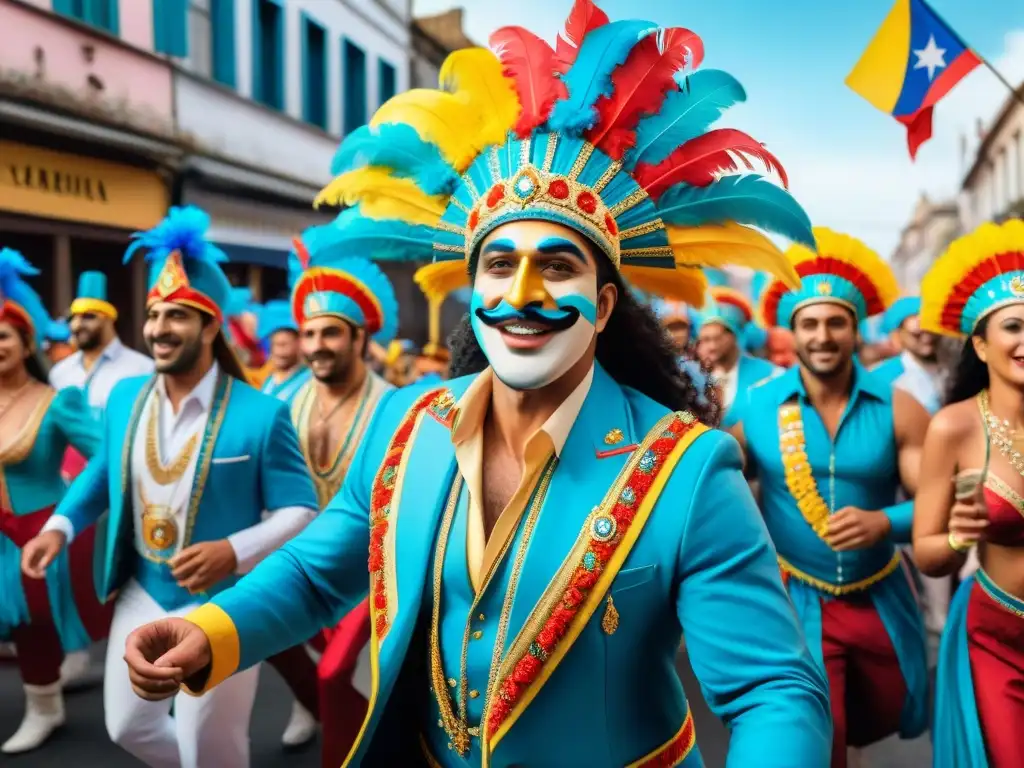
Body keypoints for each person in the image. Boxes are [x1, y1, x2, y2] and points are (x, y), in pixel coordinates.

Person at [118, 7, 831, 766]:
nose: (520, 292)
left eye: (556, 266)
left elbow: (773, 693)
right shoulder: (410, 422)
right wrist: (214, 631)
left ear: (605, 304)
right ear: (475, 288)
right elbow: (317, 570)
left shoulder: (688, 472)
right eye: (498, 265)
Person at [21, 206, 319, 768]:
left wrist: (235, 550)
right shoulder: (128, 397)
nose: (158, 327)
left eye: (177, 315)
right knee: (126, 727)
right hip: (142, 588)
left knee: (213, 745)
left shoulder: (261, 413)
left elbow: (300, 508)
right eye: (154, 314)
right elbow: (104, 472)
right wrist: (59, 526)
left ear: (210, 327)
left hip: (226, 603)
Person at [731, 227, 930, 768]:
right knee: (821, 735)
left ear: (855, 327)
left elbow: (933, 506)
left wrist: (884, 523)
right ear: (792, 331)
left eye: (835, 322)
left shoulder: (902, 408)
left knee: (892, 709)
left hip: (881, 597)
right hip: (797, 603)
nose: (822, 335)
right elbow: (714, 496)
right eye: (810, 323)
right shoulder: (755, 409)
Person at [914, 219, 1024, 767]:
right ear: (980, 344)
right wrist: (959, 534)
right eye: (1014, 327)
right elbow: (928, 553)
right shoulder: (953, 428)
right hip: (997, 638)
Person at [287, 232, 399, 763]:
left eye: (330, 332)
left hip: (375, 574)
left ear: (360, 339)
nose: (315, 346)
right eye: (308, 333)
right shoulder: (281, 400)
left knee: (338, 676)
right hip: (306, 563)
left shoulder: (397, 407)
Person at [0, 248, 106, 754]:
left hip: (37, 532)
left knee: (32, 626)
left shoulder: (56, 400)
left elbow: (105, 458)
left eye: (3, 335)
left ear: (25, 343)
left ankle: (46, 708)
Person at [49, 271, 156, 686]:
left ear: (109, 319)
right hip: (68, 485)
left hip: (122, 482)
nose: (80, 326)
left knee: (119, 565)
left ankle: (132, 649)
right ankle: (75, 650)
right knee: (69, 566)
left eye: (90, 317)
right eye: (75, 318)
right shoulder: (60, 372)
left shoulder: (140, 367)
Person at [695, 286, 780, 424]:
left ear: (734, 336)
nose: (711, 346)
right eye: (705, 340)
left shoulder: (769, 374)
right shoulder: (697, 379)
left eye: (717, 338)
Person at [873, 296, 946, 416]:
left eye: (931, 331)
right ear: (898, 335)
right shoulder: (883, 377)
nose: (927, 338)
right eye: (916, 334)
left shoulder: (954, 367)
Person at [256, 297, 310, 403]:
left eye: (285, 343)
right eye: (275, 343)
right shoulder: (269, 381)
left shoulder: (310, 383)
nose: (279, 350)